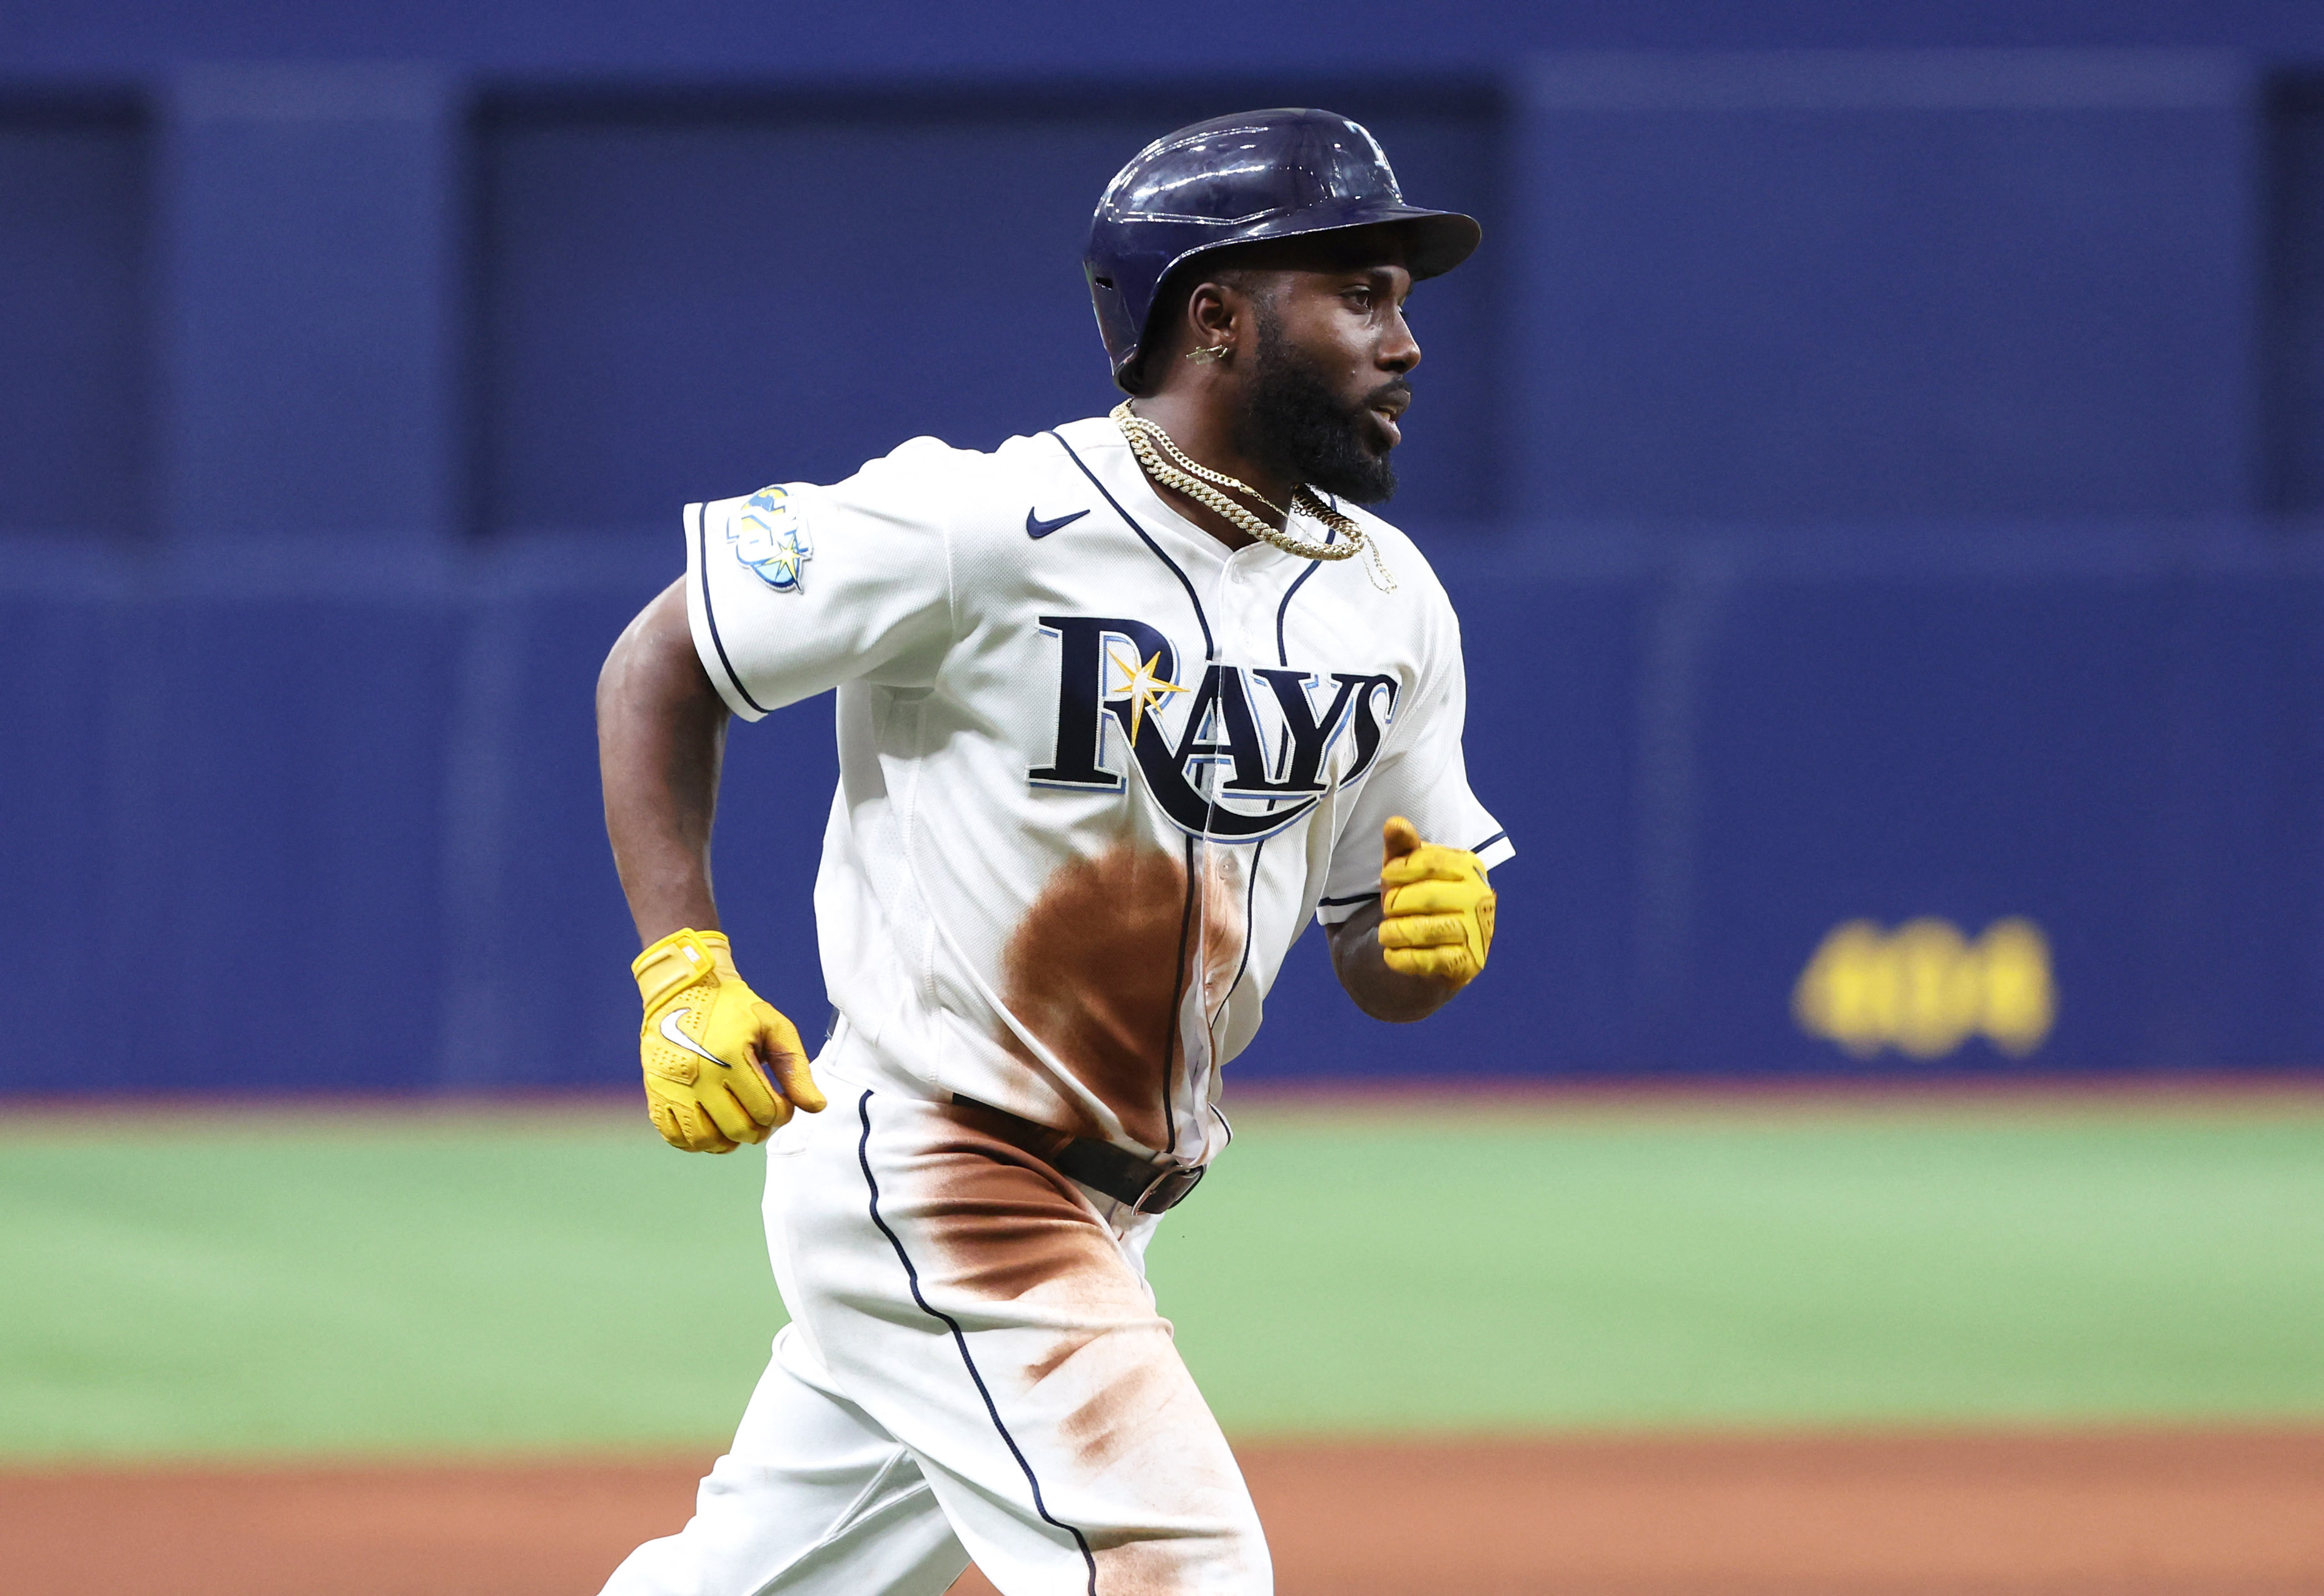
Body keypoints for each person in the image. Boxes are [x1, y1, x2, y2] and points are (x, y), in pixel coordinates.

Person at [593, 107, 1511, 1596]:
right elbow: (661, 659)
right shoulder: (983, 521)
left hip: (1112, 1205)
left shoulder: (1389, 599)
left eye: (1401, 300)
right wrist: (681, 962)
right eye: (1359, 293)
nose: (1403, 340)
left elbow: (1372, 947)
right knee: (1186, 1570)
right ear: (1216, 316)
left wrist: (1421, 939)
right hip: (947, 1166)